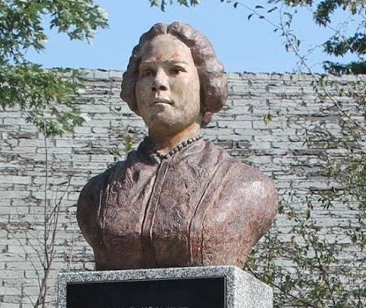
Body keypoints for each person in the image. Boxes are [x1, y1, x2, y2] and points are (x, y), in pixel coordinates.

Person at [77, 22, 278, 271]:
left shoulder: (247, 187)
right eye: (148, 72)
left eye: (175, 70)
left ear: (205, 84)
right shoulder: (97, 194)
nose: (158, 83)